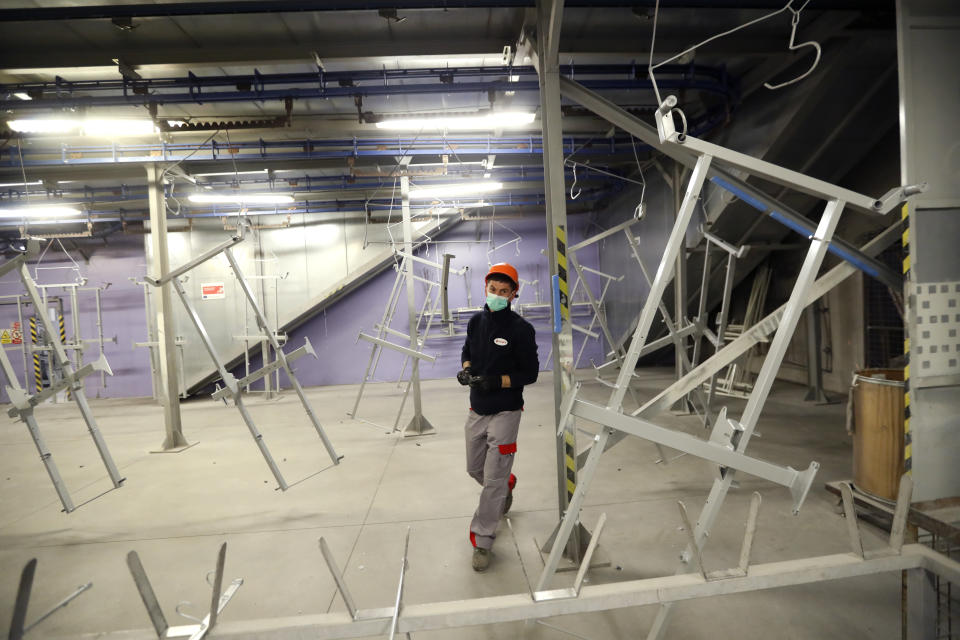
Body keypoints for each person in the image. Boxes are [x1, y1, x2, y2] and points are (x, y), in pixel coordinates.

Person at [457, 262, 539, 572]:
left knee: (492, 481)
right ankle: (508, 484)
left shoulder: (521, 329)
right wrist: (466, 370)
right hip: (477, 408)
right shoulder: (476, 322)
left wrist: (498, 381)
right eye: (493, 289)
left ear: (514, 295)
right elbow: (467, 349)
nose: (497, 295)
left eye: (504, 292)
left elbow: (529, 373)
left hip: (506, 410)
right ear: (486, 288)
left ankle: (483, 540)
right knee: (474, 468)